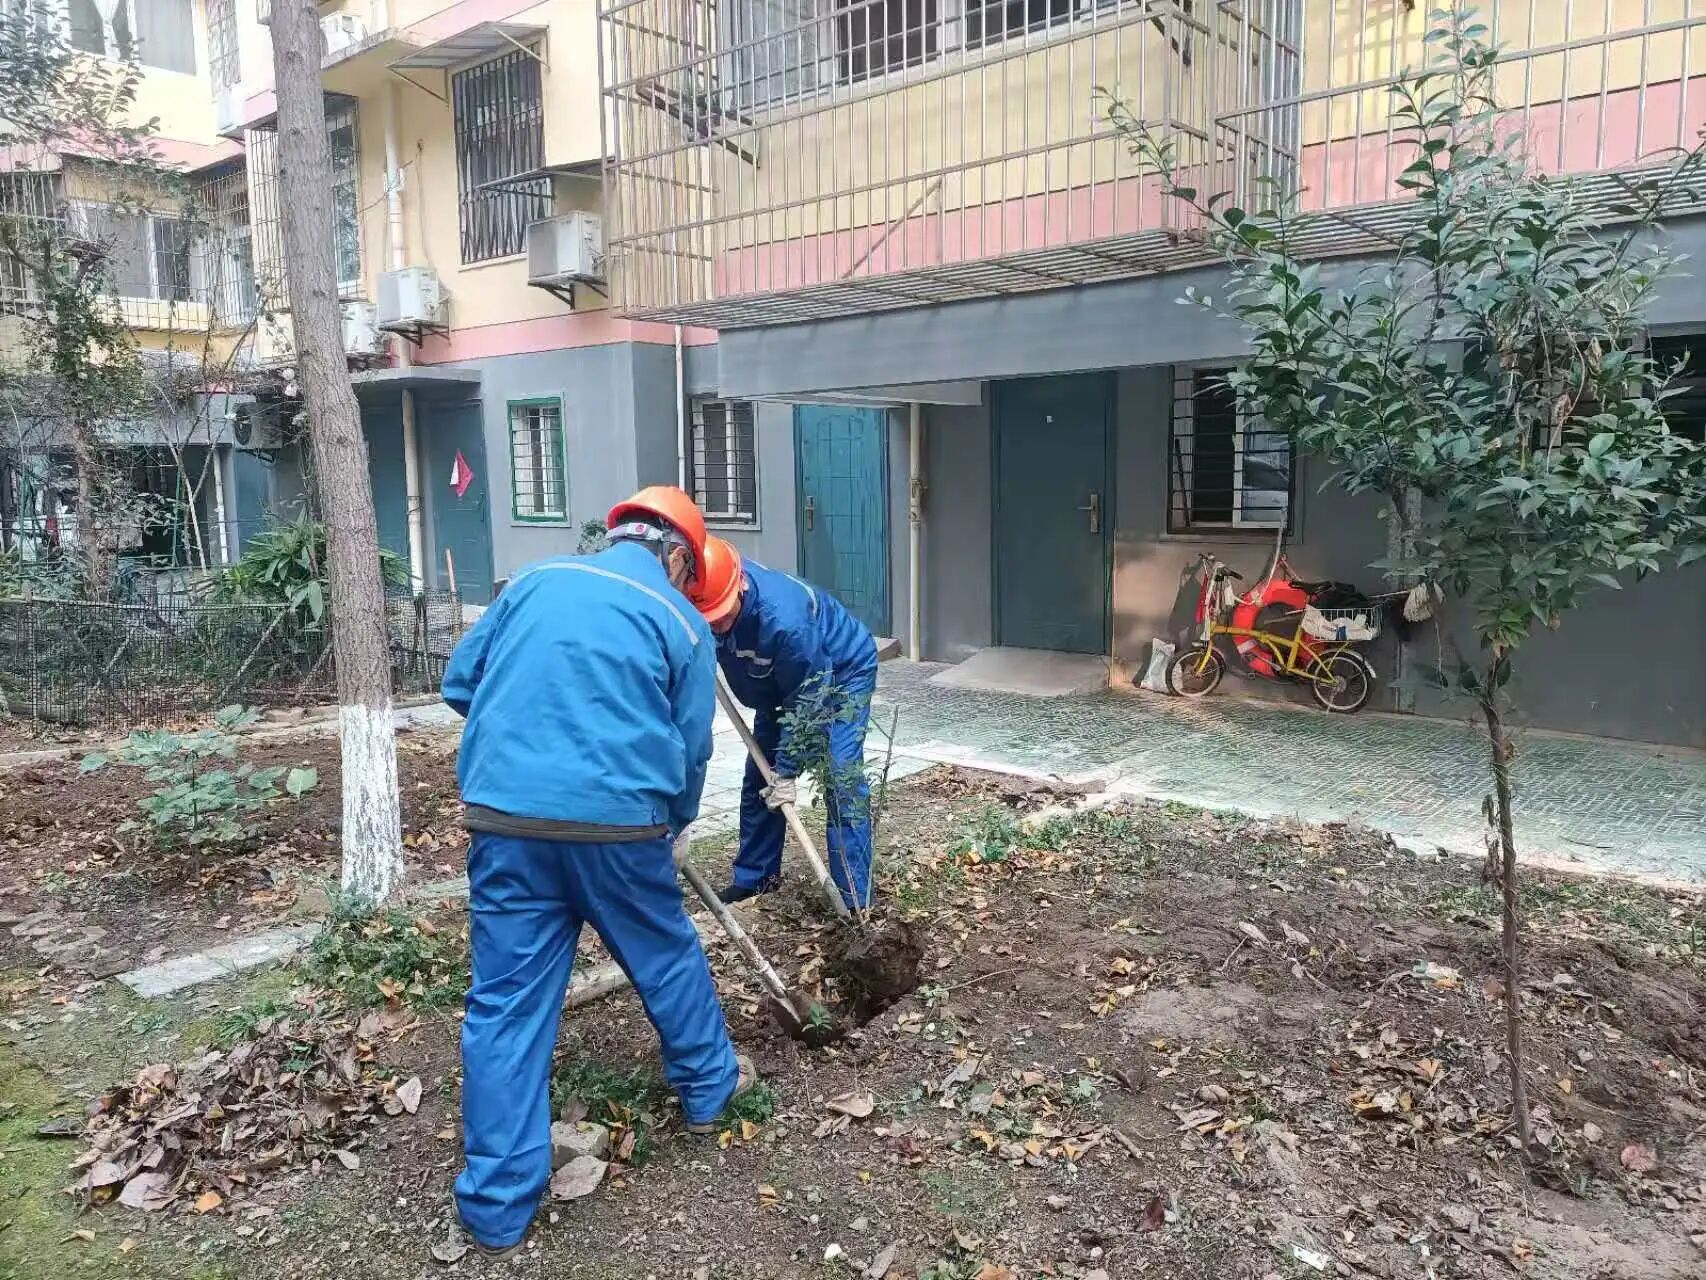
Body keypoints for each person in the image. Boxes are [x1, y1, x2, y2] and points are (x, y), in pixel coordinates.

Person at [442, 487, 754, 1259]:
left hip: (506, 824)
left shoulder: (536, 582)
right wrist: (673, 823)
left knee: (506, 1005)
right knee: (666, 956)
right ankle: (712, 1094)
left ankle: (496, 1209)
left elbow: (459, 685)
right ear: (680, 557)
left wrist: (531, 736)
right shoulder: (681, 622)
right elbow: (690, 750)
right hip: (619, 830)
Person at [690, 536, 879, 911]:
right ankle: (756, 880)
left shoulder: (785, 620)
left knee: (841, 778)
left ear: (741, 586)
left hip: (839, 674)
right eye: (711, 621)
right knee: (760, 779)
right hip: (776, 684)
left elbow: (810, 696)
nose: (720, 627)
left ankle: (854, 899)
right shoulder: (705, 595)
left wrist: (788, 770)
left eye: (725, 616)